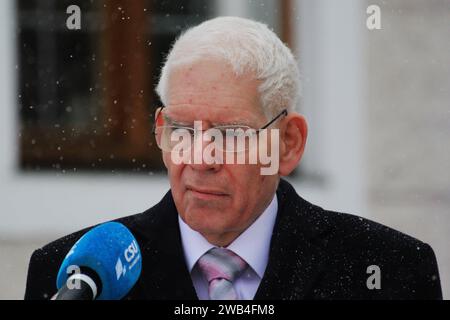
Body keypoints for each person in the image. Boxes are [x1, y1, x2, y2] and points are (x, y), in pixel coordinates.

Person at [24, 16, 442, 300]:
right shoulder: (73, 276)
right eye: (183, 130)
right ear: (159, 129)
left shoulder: (390, 271)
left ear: (288, 143)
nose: (200, 158)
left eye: (230, 134)